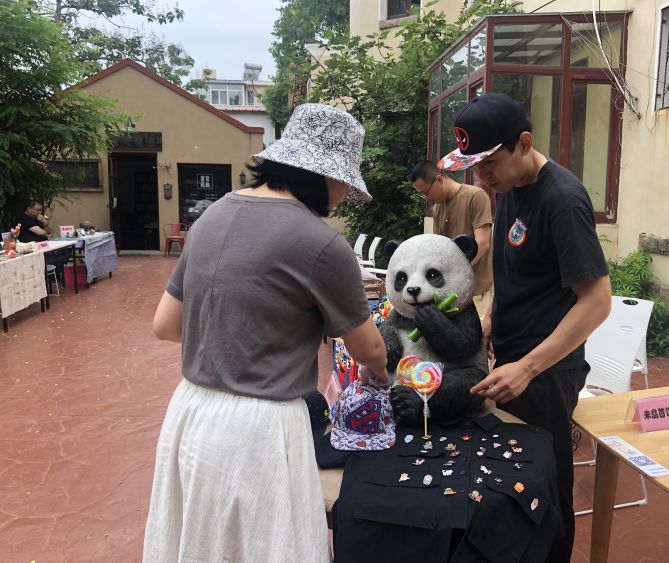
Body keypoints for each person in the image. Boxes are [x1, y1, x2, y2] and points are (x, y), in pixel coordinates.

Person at [143, 103, 389, 562]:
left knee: (200, 546)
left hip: (190, 415)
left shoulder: (211, 217)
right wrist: (382, 373)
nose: (340, 196)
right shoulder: (322, 243)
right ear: (325, 176)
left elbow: (166, 325)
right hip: (262, 427)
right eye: (342, 183)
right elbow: (368, 347)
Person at [438, 93, 611, 563]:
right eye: (472, 166)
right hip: (511, 361)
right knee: (510, 474)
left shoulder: (562, 200)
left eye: (488, 163)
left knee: (546, 481)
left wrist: (528, 369)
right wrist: (491, 315)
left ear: (524, 143)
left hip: (546, 372)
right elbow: (518, 272)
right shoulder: (510, 190)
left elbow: (597, 302)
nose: (480, 177)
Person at [409, 160, 493, 318]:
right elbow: (439, 249)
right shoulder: (438, 208)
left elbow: (483, 243)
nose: (426, 198)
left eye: (426, 192)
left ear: (439, 179)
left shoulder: (476, 196)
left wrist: (455, 271)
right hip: (451, 292)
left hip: (478, 293)